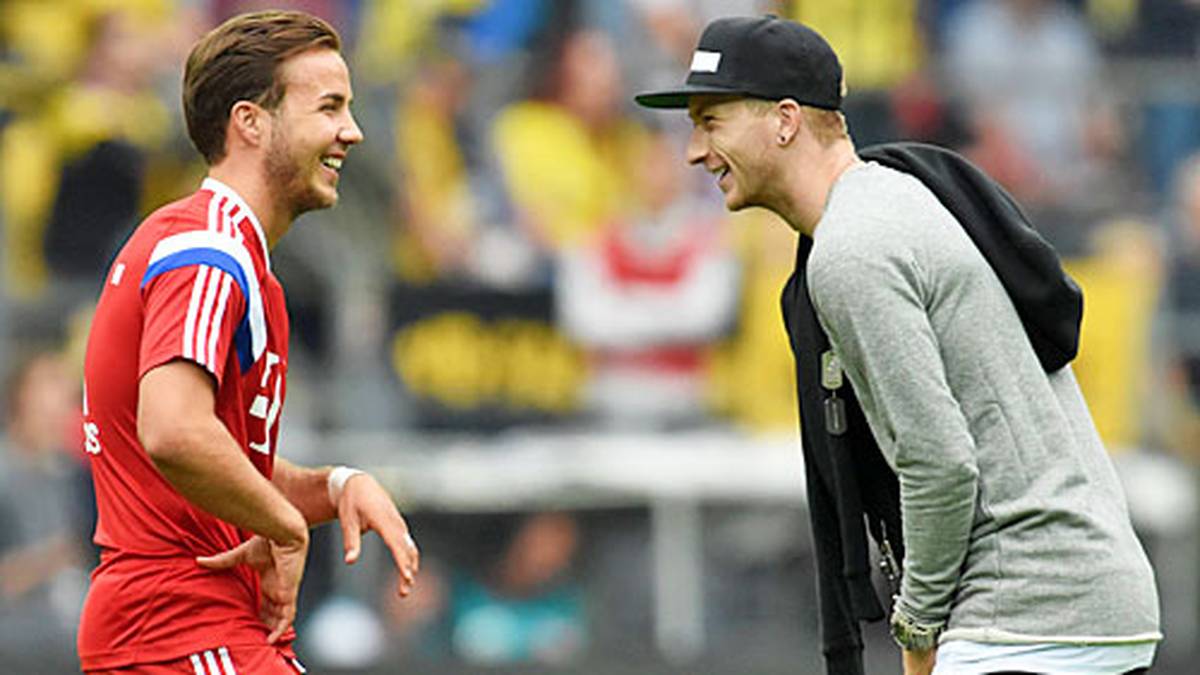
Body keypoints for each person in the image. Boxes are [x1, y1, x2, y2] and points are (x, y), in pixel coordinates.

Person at [635, 15, 1160, 675]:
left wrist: (916, 628)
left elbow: (940, 462)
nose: (694, 151)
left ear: (786, 120)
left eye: (710, 122)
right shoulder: (899, 199)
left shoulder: (852, 249)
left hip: (1024, 617)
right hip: (1090, 603)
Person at [77, 11, 419, 674]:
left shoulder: (223, 253)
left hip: (188, 625)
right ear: (251, 122)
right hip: (180, 625)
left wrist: (332, 485)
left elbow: (216, 470)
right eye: (329, 107)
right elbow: (174, 431)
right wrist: (285, 527)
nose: (353, 131)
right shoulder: (209, 249)